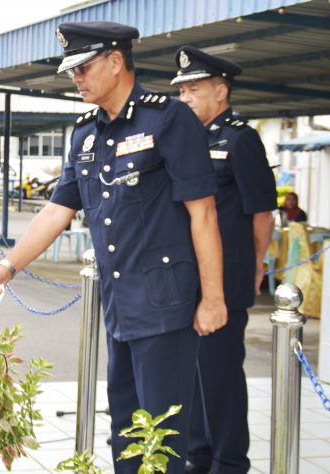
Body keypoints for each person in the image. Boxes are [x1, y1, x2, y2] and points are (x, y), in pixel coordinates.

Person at [0, 22, 226, 473]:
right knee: (126, 430)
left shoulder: (168, 119)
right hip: (120, 306)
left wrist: (213, 298)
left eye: (84, 68)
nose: (77, 78)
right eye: (73, 71)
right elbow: (56, 211)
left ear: (116, 61)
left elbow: (203, 213)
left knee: (162, 438)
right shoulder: (86, 133)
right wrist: (5, 268)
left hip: (165, 305)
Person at [173, 46, 278, 474]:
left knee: (221, 373)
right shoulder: (187, 140)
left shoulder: (240, 139)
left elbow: (262, 212)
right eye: (182, 92)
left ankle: (230, 460)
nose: (185, 99)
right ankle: (199, 454)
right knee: (195, 372)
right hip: (190, 273)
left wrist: (256, 264)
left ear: (221, 92)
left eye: (194, 90)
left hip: (228, 273)